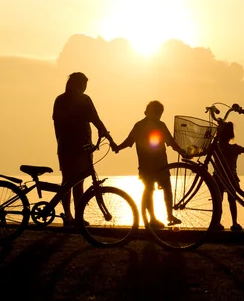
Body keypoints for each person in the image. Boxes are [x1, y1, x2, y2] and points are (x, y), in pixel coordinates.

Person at [52, 72, 115, 227]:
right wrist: (110, 140)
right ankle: (76, 216)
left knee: (67, 181)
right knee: (77, 182)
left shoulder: (60, 100)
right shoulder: (84, 100)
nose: (85, 88)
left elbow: (57, 125)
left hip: (65, 146)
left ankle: (69, 216)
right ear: (79, 85)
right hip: (82, 147)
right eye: (84, 85)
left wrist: (60, 142)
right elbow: (96, 121)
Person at [113, 101, 186, 228]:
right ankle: (159, 217)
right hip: (157, 165)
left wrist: (118, 147)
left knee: (152, 191)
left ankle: (157, 218)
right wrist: (182, 152)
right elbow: (171, 143)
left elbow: (129, 141)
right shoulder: (154, 125)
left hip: (151, 165)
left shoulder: (142, 125)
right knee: (160, 190)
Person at [213, 121, 244, 231]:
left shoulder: (216, 148)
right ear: (231, 136)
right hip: (231, 178)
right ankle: (234, 223)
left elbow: (204, 150)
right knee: (232, 201)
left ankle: (216, 222)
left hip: (218, 177)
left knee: (218, 201)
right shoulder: (234, 148)